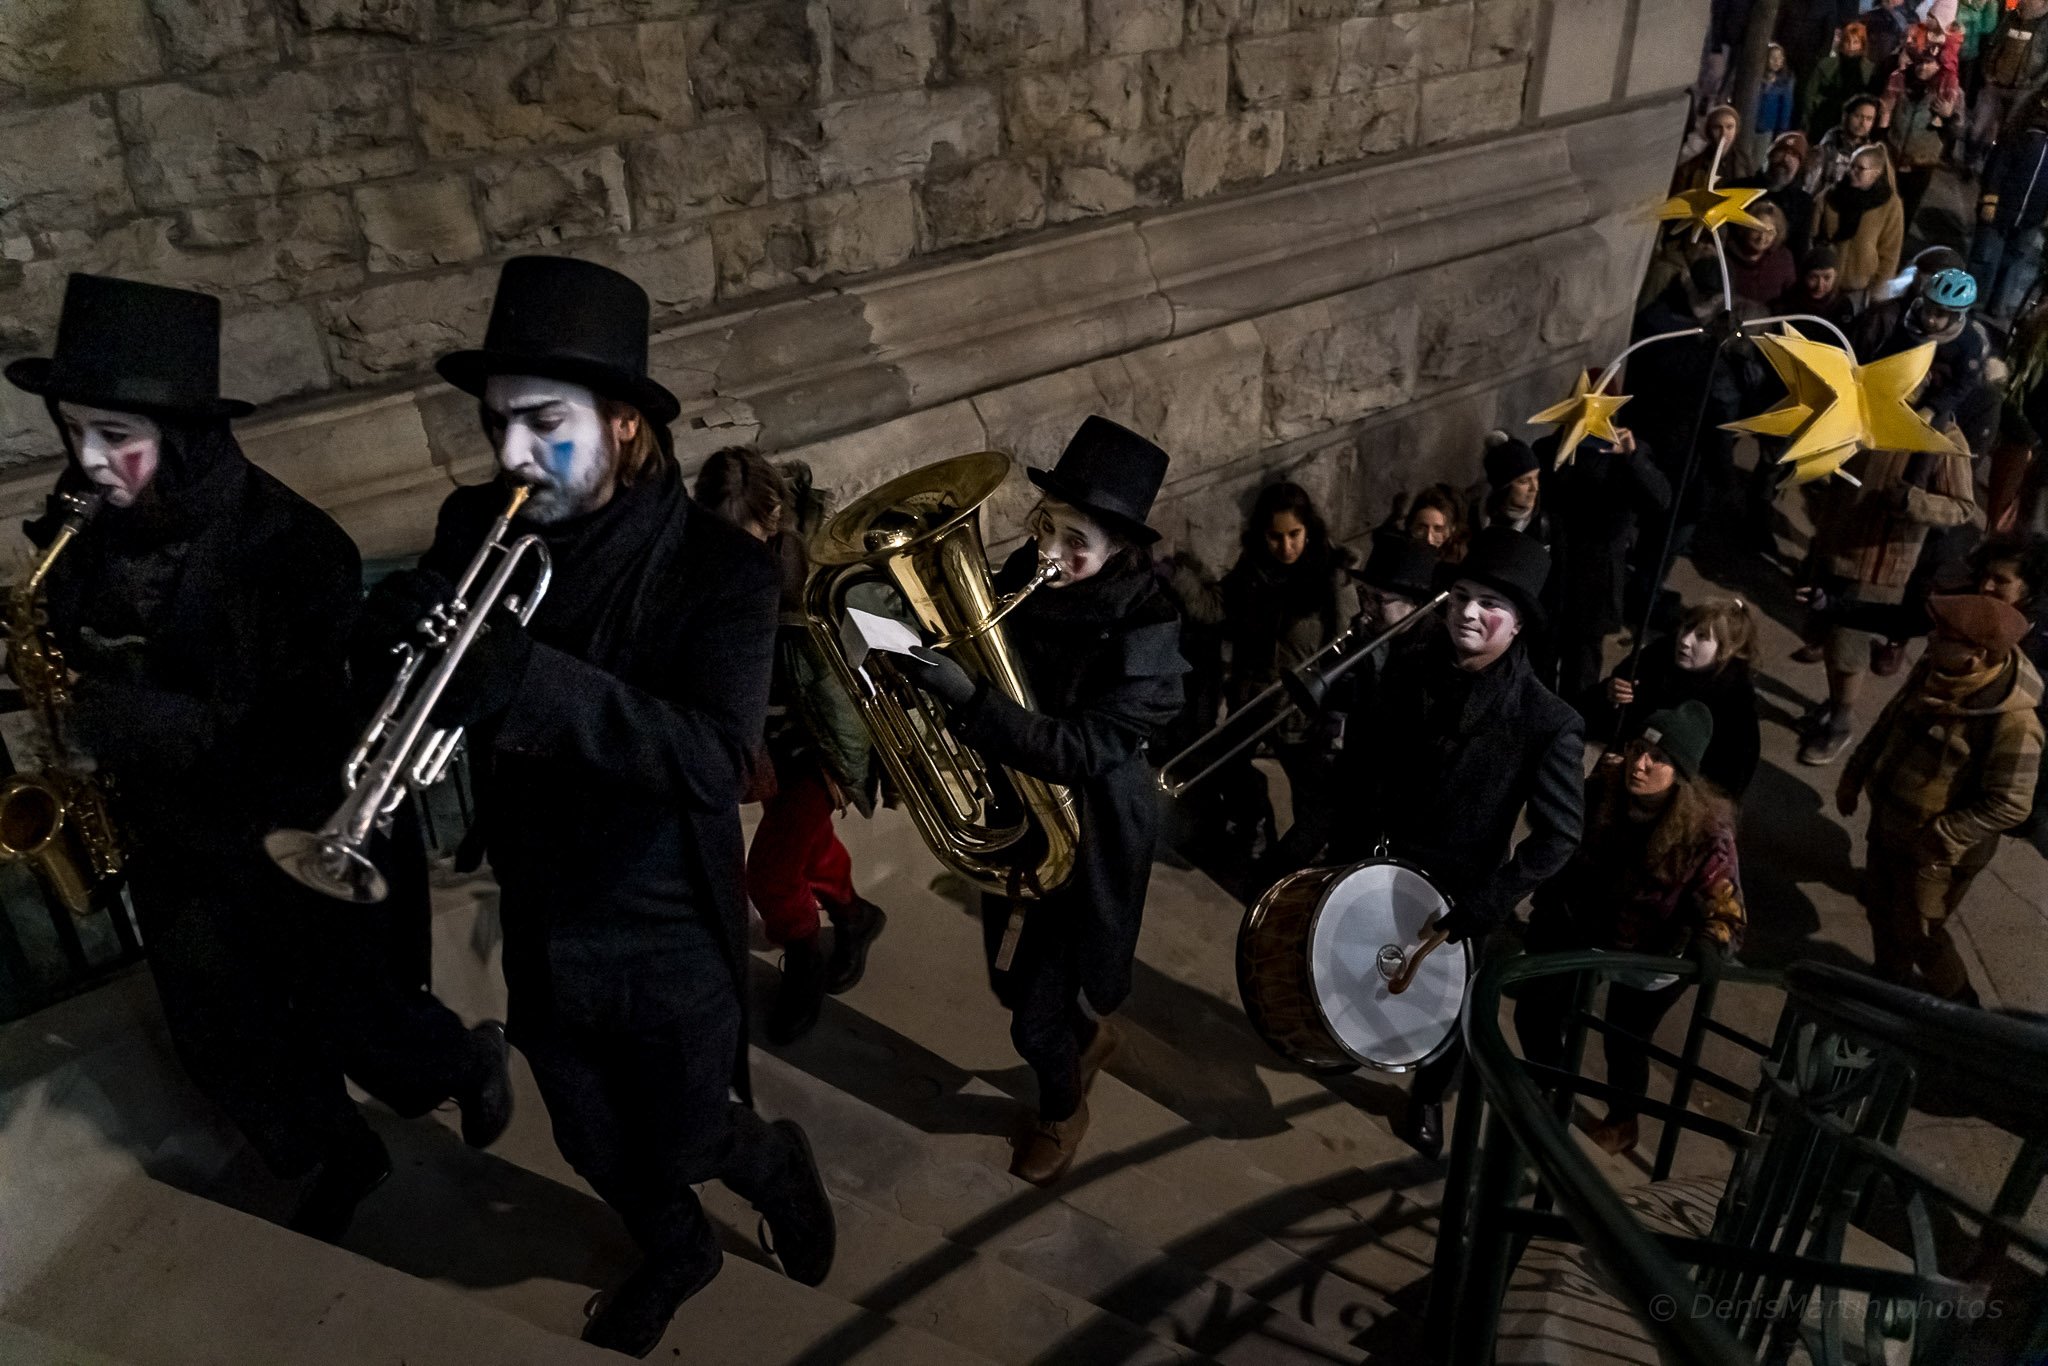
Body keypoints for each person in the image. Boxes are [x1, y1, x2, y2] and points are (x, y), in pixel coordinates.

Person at [367, 257, 835, 1355]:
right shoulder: (472, 519)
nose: (512, 456)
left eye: (543, 423)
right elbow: (434, 671)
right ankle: (677, 1246)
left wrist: (527, 680)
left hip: (661, 915)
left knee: (682, 1126)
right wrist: (390, 636)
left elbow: (716, 755)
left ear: (623, 425)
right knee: (581, 1129)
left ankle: (769, 1163)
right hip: (540, 898)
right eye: (495, 426)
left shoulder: (719, 572)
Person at [5, 274, 514, 1243]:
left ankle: (462, 1061)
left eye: (116, 437)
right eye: (75, 432)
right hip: (175, 833)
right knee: (222, 1028)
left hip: (293, 821)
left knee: (358, 1012)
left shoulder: (292, 545)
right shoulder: (80, 528)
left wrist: (124, 717)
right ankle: (335, 1152)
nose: (89, 460)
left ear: (186, 433)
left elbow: (292, 729)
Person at [901, 417, 1187, 1185]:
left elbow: (1085, 751)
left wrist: (971, 702)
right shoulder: (1026, 575)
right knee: (1009, 980)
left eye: (1075, 544)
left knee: (1032, 1013)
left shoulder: (1149, 630)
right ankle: (1082, 1036)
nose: (1050, 556)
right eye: (1046, 528)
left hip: (1088, 830)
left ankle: (1062, 1110)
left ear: (1121, 551)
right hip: (1017, 811)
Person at [1333, 527, 1585, 1160]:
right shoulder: (1411, 665)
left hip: (1460, 889)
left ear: (1519, 624)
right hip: (1382, 858)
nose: (1469, 613)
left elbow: (1560, 833)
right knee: (1356, 962)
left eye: (1491, 605)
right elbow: (1367, 755)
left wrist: (1492, 899)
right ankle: (1349, 1041)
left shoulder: (1547, 720)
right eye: (1461, 596)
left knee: (1443, 1012)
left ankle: (1425, 1098)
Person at [693, 447, 886, 1047]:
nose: (729, 555)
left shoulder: (814, 575)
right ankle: (853, 916)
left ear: (773, 516)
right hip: (765, 748)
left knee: (770, 875)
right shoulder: (709, 567)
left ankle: (803, 959)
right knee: (805, 846)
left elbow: (853, 670)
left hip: (815, 748)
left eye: (741, 538)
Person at [1516, 702, 1745, 1156]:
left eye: (1658, 759)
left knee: (1625, 1038)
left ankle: (1623, 1121)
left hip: (1653, 950)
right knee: (1536, 1010)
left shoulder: (1705, 832)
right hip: (1589, 932)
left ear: (1679, 772)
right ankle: (1553, 1091)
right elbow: (1552, 832)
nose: (1641, 764)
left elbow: (1727, 906)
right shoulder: (1604, 792)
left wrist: (1711, 943)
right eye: (1639, 749)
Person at [1839, 594, 2043, 1003]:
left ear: (1978, 655)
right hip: (1890, 826)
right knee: (1881, 910)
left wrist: (1942, 833)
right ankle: (1887, 988)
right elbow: (1889, 720)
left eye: (1944, 636)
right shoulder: (1935, 670)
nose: (1930, 640)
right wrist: (1855, 774)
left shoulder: (2014, 724)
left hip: (1937, 855)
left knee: (1922, 934)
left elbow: (2011, 803)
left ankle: (1960, 1010)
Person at [1798, 416, 1981, 767]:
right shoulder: (1870, 406)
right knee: (1827, 636)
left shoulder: (1943, 435)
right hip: (1832, 546)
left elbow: (1961, 506)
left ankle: (1839, 723)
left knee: (1846, 648)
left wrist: (1912, 501)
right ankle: (1835, 704)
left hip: (1877, 565)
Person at [1217, 482, 1358, 874]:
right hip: (1255, 697)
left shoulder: (1330, 574)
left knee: (1311, 796)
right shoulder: (1253, 569)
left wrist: (1333, 709)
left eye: (1294, 535)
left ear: (1308, 529)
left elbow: (1347, 642)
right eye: (1275, 537)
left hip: (1303, 707)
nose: (1286, 547)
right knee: (1226, 763)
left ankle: (1302, 866)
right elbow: (1226, 615)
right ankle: (1255, 827)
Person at [1537, 415, 1672, 702]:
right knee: (1541, 664)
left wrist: (1631, 458)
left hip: (1596, 584)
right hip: (1554, 577)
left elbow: (1660, 499)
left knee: (1582, 674)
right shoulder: (1551, 449)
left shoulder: (1626, 455)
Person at [1586, 599, 1763, 799]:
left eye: (1702, 636)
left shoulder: (1735, 707)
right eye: (1687, 627)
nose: (1685, 640)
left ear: (1726, 650)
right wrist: (1609, 694)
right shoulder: (1654, 658)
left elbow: (1724, 787)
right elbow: (1595, 714)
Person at [1969, 89, 2048, 326]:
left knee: (2014, 262)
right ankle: (1973, 303)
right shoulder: (2022, 132)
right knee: (1985, 257)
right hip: (2000, 208)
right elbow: (1997, 166)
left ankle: (1996, 308)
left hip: (2031, 217)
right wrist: (1990, 198)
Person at [1881, 29, 1965, 227]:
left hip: (1921, 165)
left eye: (1929, 63)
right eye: (1920, 61)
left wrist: (1948, 117)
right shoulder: (1899, 80)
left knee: (1904, 215)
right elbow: (1884, 111)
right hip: (1891, 158)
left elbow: (1958, 131)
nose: (1922, 67)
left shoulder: (1949, 91)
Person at [1814, 144, 1907, 306]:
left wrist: (1874, 292)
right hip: (1823, 287)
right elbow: (1812, 235)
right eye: (1851, 166)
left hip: (1860, 293)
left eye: (1860, 168)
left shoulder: (1890, 206)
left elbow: (1890, 255)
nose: (1851, 172)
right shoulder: (1831, 196)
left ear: (1876, 173)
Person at [1731, 131, 1816, 257]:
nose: (1786, 158)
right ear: (1769, 155)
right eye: (1782, 151)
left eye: (1794, 155)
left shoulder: (1803, 204)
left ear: (1799, 166)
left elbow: (1799, 249)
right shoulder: (1736, 188)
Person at [1805, 94, 1882, 195]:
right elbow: (1809, 188)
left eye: (1869, 119)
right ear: (1846, 115)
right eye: (1858, 116)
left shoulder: (1872, 155)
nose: (1863, 123)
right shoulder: (1826, 149)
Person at [1727, 202, 1799, 308]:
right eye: (1757, 229)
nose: (1762, 237)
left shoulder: (1784, 258)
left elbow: (1791, 296)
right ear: (1746, 227)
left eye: (1769, 232)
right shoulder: (1726, 257)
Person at [1772, 246, 1856, 333]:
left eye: (1827, 278)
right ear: (1803, 277)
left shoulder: (1842, 305)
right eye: (1813, 277)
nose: (1820, 286)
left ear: (1835, 277)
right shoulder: (1787, 303)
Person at [1673, 103, 1755, 190]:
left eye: (1729, 127)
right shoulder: (1690, 169)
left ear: (1736, 130)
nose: (1724, 133)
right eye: (1717, 128)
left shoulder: (1744, 160)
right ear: (1708, 132)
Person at [1402, 482, 1469, 562]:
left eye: (1439, 529)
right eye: (1421, 528)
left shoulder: (1460, 562)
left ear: (1452, 529)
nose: (1428, 539)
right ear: (1411, 525)